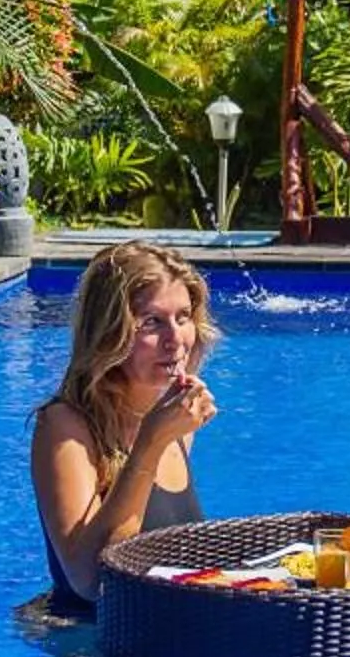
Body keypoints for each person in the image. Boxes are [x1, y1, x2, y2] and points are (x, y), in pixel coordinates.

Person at [30, 241, 220, 615]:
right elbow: (90, 582)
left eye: (183, 317)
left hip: (168, 641)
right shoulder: (66, 426)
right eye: (151, 322)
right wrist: (151, 441)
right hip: (96, 656)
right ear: (108, 332)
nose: (174, 340)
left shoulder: (176, 420)